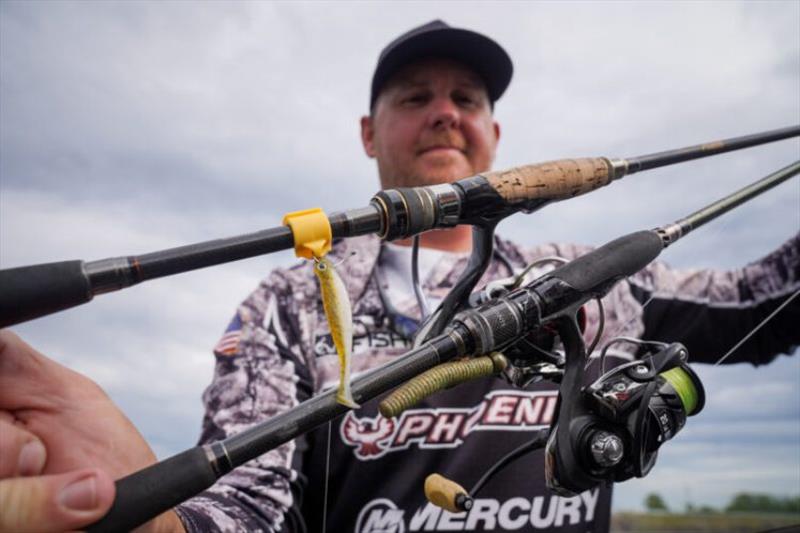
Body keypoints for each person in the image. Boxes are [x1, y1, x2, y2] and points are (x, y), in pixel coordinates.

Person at [0, 20, 797, 533]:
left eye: (465, 97)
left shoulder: (592, 279)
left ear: (494, 130)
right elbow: (249, 505)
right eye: (416, 97)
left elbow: (766, 300)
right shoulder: (291, 301)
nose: (444, 112)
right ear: (367, 131)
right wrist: (148, 519)